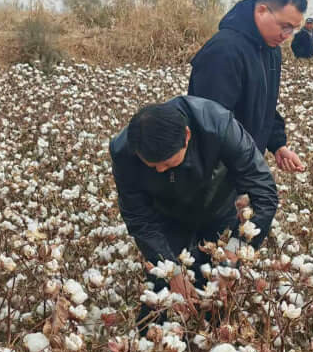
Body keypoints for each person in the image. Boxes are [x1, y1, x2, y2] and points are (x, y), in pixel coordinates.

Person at [110, 96, 278, 322]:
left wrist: (236, 249)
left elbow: (264, 193)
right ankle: (155, 342)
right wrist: (171, 269)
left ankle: (210, 334)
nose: (160, 170)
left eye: (167, 163)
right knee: (162, 297)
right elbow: (139, 218)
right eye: (152, 166)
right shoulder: (124, 151)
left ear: (187, 136)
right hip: (165, 217)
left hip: (218, 206)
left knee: (218, 293)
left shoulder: (218, 126)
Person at [188, 0, 306, 173]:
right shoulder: (224, 51)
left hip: (244, 167)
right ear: (261, 11)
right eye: (285, 26)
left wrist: (278, 144)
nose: (287, 35)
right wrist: (247, 176)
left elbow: (263, 106)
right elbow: (212, 126)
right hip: (217, 174)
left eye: (293, 29)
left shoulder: (271, 50)